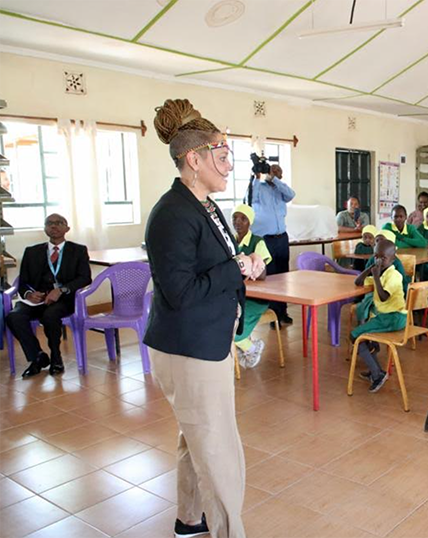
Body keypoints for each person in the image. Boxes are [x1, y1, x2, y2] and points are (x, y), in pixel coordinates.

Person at [145, 99, 265, 538]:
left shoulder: (205, 206)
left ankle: (189, 520)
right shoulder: (172, 215)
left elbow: (214, 266)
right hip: (187, 346)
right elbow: (179, 292)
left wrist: (245, 263)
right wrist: (234, 269)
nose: (229, 166)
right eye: (222, 155)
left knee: (196, 437)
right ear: (194, 159)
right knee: (217, 449)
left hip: (207, 340)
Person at [7, 213, 91, 378]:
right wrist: (30, 294)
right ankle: (37, 356)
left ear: (67, 228)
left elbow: (85, 278)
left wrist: (61, 290)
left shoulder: (78, 250)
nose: (54, 226)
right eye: (49, 223)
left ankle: (56, 357)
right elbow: (22, 282)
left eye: (59, 223)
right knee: (14, 317)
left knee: (50, 315)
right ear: (45, 228)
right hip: (36, 300)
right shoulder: (32, 252)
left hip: (62, 299)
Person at [351, 239, 406, 393]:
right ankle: (375, 368)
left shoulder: (394, 275)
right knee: (365, 336)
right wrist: (369, 269)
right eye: (376, 256)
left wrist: (375, 276)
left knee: (355, 335)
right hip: (384, 317)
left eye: (383, 258)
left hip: (393, 318)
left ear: (393, 259)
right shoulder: (380, 272)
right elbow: (358, 282)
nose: (379, 260)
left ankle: (377, 374)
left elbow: (383, 297)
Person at [250, 163, 295, 325]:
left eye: (279, 172)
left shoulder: (280, 189)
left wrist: (275, 180)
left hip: (281, 237)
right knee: (270, 277)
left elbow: (291, 195)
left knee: (283, 276)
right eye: (273, 171)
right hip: (265, 239)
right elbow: (250, 198)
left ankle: (282, 312)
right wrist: (257, 177)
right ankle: (271, 314)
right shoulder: (259, 188)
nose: (277, 173)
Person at [231, 204, 272, 369]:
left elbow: (261, 274)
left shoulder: (257, 242)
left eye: (243, 219)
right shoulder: (231, 242)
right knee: (223, 324)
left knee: (235, 332)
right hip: (236, 296)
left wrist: (245, 262)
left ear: (250, 223)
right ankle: (249, 347)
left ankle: (252, 348)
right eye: (235, 217)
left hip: (256, 298)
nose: (238, 222)